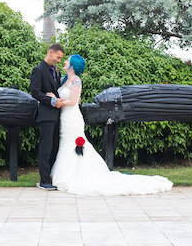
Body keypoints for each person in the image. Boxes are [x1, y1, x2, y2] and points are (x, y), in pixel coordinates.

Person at [50, 54, 173, 196]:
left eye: (67, 60)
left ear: (72, 65)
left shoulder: (76, 80)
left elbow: (72, 102)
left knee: (74, 142)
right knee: (66, 142)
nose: (64, 62)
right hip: (64, 117)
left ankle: (73, 175)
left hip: (73, 117)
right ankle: (67, 173)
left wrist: (55, 100)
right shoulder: (64, 80)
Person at [29, 43, 65, 190]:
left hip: (57, 115)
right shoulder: (38, 70)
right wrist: (52, 101)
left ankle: (52, 177)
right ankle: (44, 180)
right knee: (46, 148)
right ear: (50, 53)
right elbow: (35, 92)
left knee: (55, 147)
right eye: (58, 57)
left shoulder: (56, 71)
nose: (59, 61)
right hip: (46, 115)